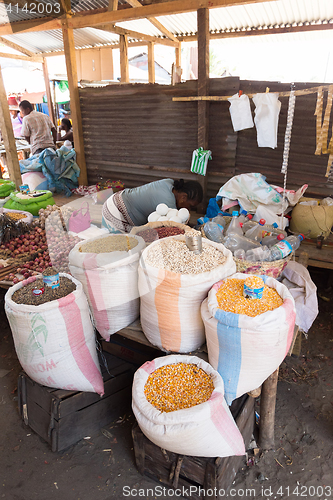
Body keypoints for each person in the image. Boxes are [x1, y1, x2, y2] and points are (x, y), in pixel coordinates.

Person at [102, 178, 203, 233]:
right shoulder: (168, 204)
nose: (189, 209)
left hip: (115, 198)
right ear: (183, 197)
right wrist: (193, 229)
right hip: (116, 212)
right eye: (190, 206)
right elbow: (176, 227)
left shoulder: (169, 183)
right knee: (129, 245)